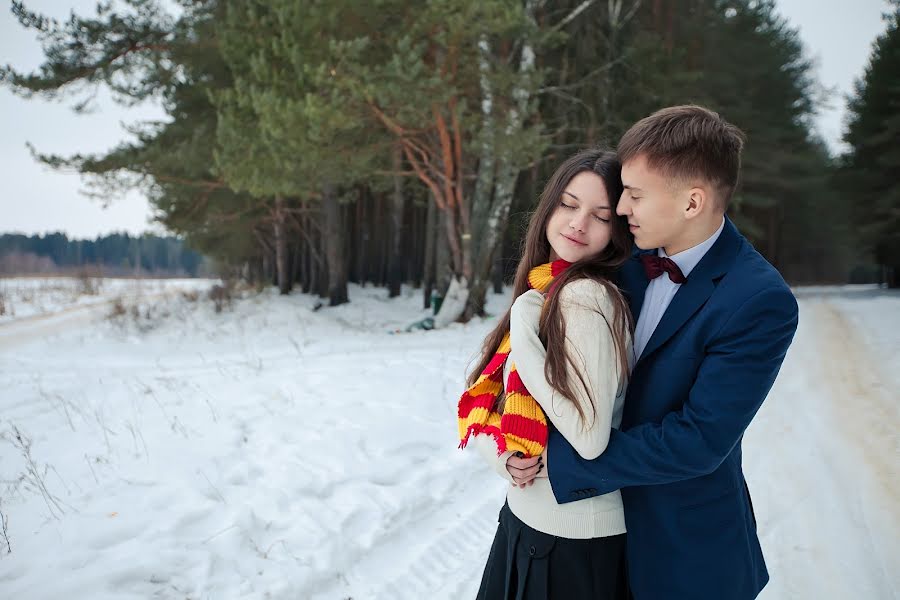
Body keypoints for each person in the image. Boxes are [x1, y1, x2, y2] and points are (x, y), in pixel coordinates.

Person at [532, 105, 800, 599]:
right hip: (591, 542)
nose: (623, 209)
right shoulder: (623, 257)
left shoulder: (759, 300)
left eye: (634, 195)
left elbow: (698, 440)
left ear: (692, 202)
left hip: (684, 555)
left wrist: (562, 461)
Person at [457, 148, 634, 599]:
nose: (578, 223)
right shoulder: (548, 286)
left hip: (574, 543)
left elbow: (588, 437)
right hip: (528, 526)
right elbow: (486, 402)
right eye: (569, 205)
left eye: (600, 215)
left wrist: (522, 319)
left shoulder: (586, 298)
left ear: (617, 231)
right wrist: (507, 459)